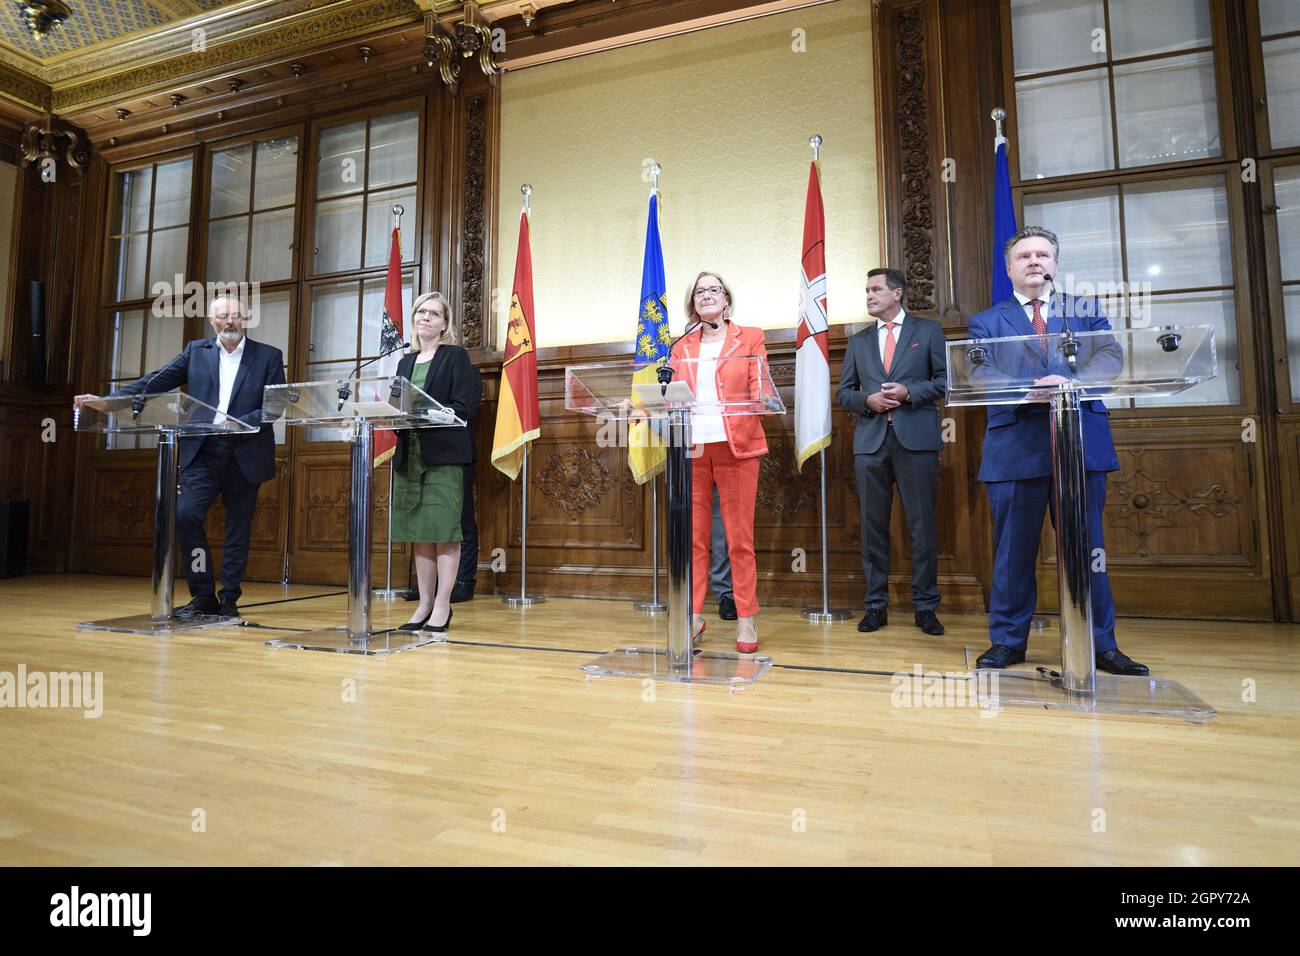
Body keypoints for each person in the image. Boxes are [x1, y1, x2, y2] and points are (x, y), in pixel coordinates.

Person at [968, 225, 1147, 675]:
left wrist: (1072, 385)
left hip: (1080, 443)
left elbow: (1109, 355)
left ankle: (1100, 643)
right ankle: (1008, 641)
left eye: (1043, 255)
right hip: (1016, 447)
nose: (1034, 262)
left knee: (1089, 549)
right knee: (1013, 552)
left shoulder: (1082, 310)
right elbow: (977, 374)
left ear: (1055, 265)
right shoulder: (986, 321)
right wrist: (1031, 388)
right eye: (1024, 256)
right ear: (1009, 268)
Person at [73, 294, 285, 619]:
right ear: (212, 321)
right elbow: (155, 381)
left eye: (236, 315)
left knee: (237, 528)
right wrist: (108, 401)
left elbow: (274, 405)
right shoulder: (196, 352)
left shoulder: (268, 356)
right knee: (186, 516)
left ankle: (229, 598)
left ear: (246, 319)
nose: (230, 321)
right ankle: (203, 594)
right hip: (204, 451)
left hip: (246, 451)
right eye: (223, 316)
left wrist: (242, 422)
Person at [836, 267, 947, 636]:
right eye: (866, 290)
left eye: (876, 289)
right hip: (870, 443)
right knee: (872, 530)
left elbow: (945, 381)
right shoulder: (859, 341)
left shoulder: (928, 331)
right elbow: (844, 393)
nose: (868, 295)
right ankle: (875, 606)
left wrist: (909, 392)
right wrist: (867, 400)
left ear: (897, 293)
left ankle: (925, 607)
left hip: (916, 440)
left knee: (922, 527)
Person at [669, 271, 768, 653]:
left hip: (736, 447)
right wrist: (646, 405)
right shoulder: (681, 345)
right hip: (691, 449)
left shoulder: (751, 337)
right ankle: (693, 616)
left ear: (726, 300)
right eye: (699, 291)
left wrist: (760, 399)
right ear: (693, 304)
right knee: (693, 540)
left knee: (739, 539)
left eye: (714, 290)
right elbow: (671, 391)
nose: (707, 295)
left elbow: (761, 386)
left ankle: (746, 618)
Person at [390, 291, 482, 633]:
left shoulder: (454, 357)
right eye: (420, 312)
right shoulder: (405, 363)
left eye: (434, 314)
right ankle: (424, 605)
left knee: (444, 531)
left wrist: (434, 413)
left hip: (443, 454)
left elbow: (463, 405)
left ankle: (443, 606)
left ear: (445, 324)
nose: (425, 318)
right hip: (410, 453)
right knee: (420, 532)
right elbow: (397, 406)